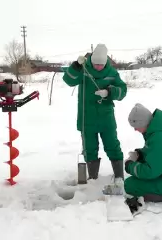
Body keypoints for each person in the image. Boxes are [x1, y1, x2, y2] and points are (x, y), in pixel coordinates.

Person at [62, 43, 128, 184]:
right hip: (87, 118)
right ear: (91, 60)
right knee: (90, 149)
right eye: (96, 63)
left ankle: (119, 177)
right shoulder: (84, 69)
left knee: (113, 146)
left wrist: (109, 92)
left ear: (106, 63)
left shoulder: (112, 73)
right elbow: (68, 81)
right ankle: (92, 179)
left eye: (101, 64)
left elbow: (123, 90)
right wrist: (76, 66)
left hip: (106, 118)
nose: (98, 66)